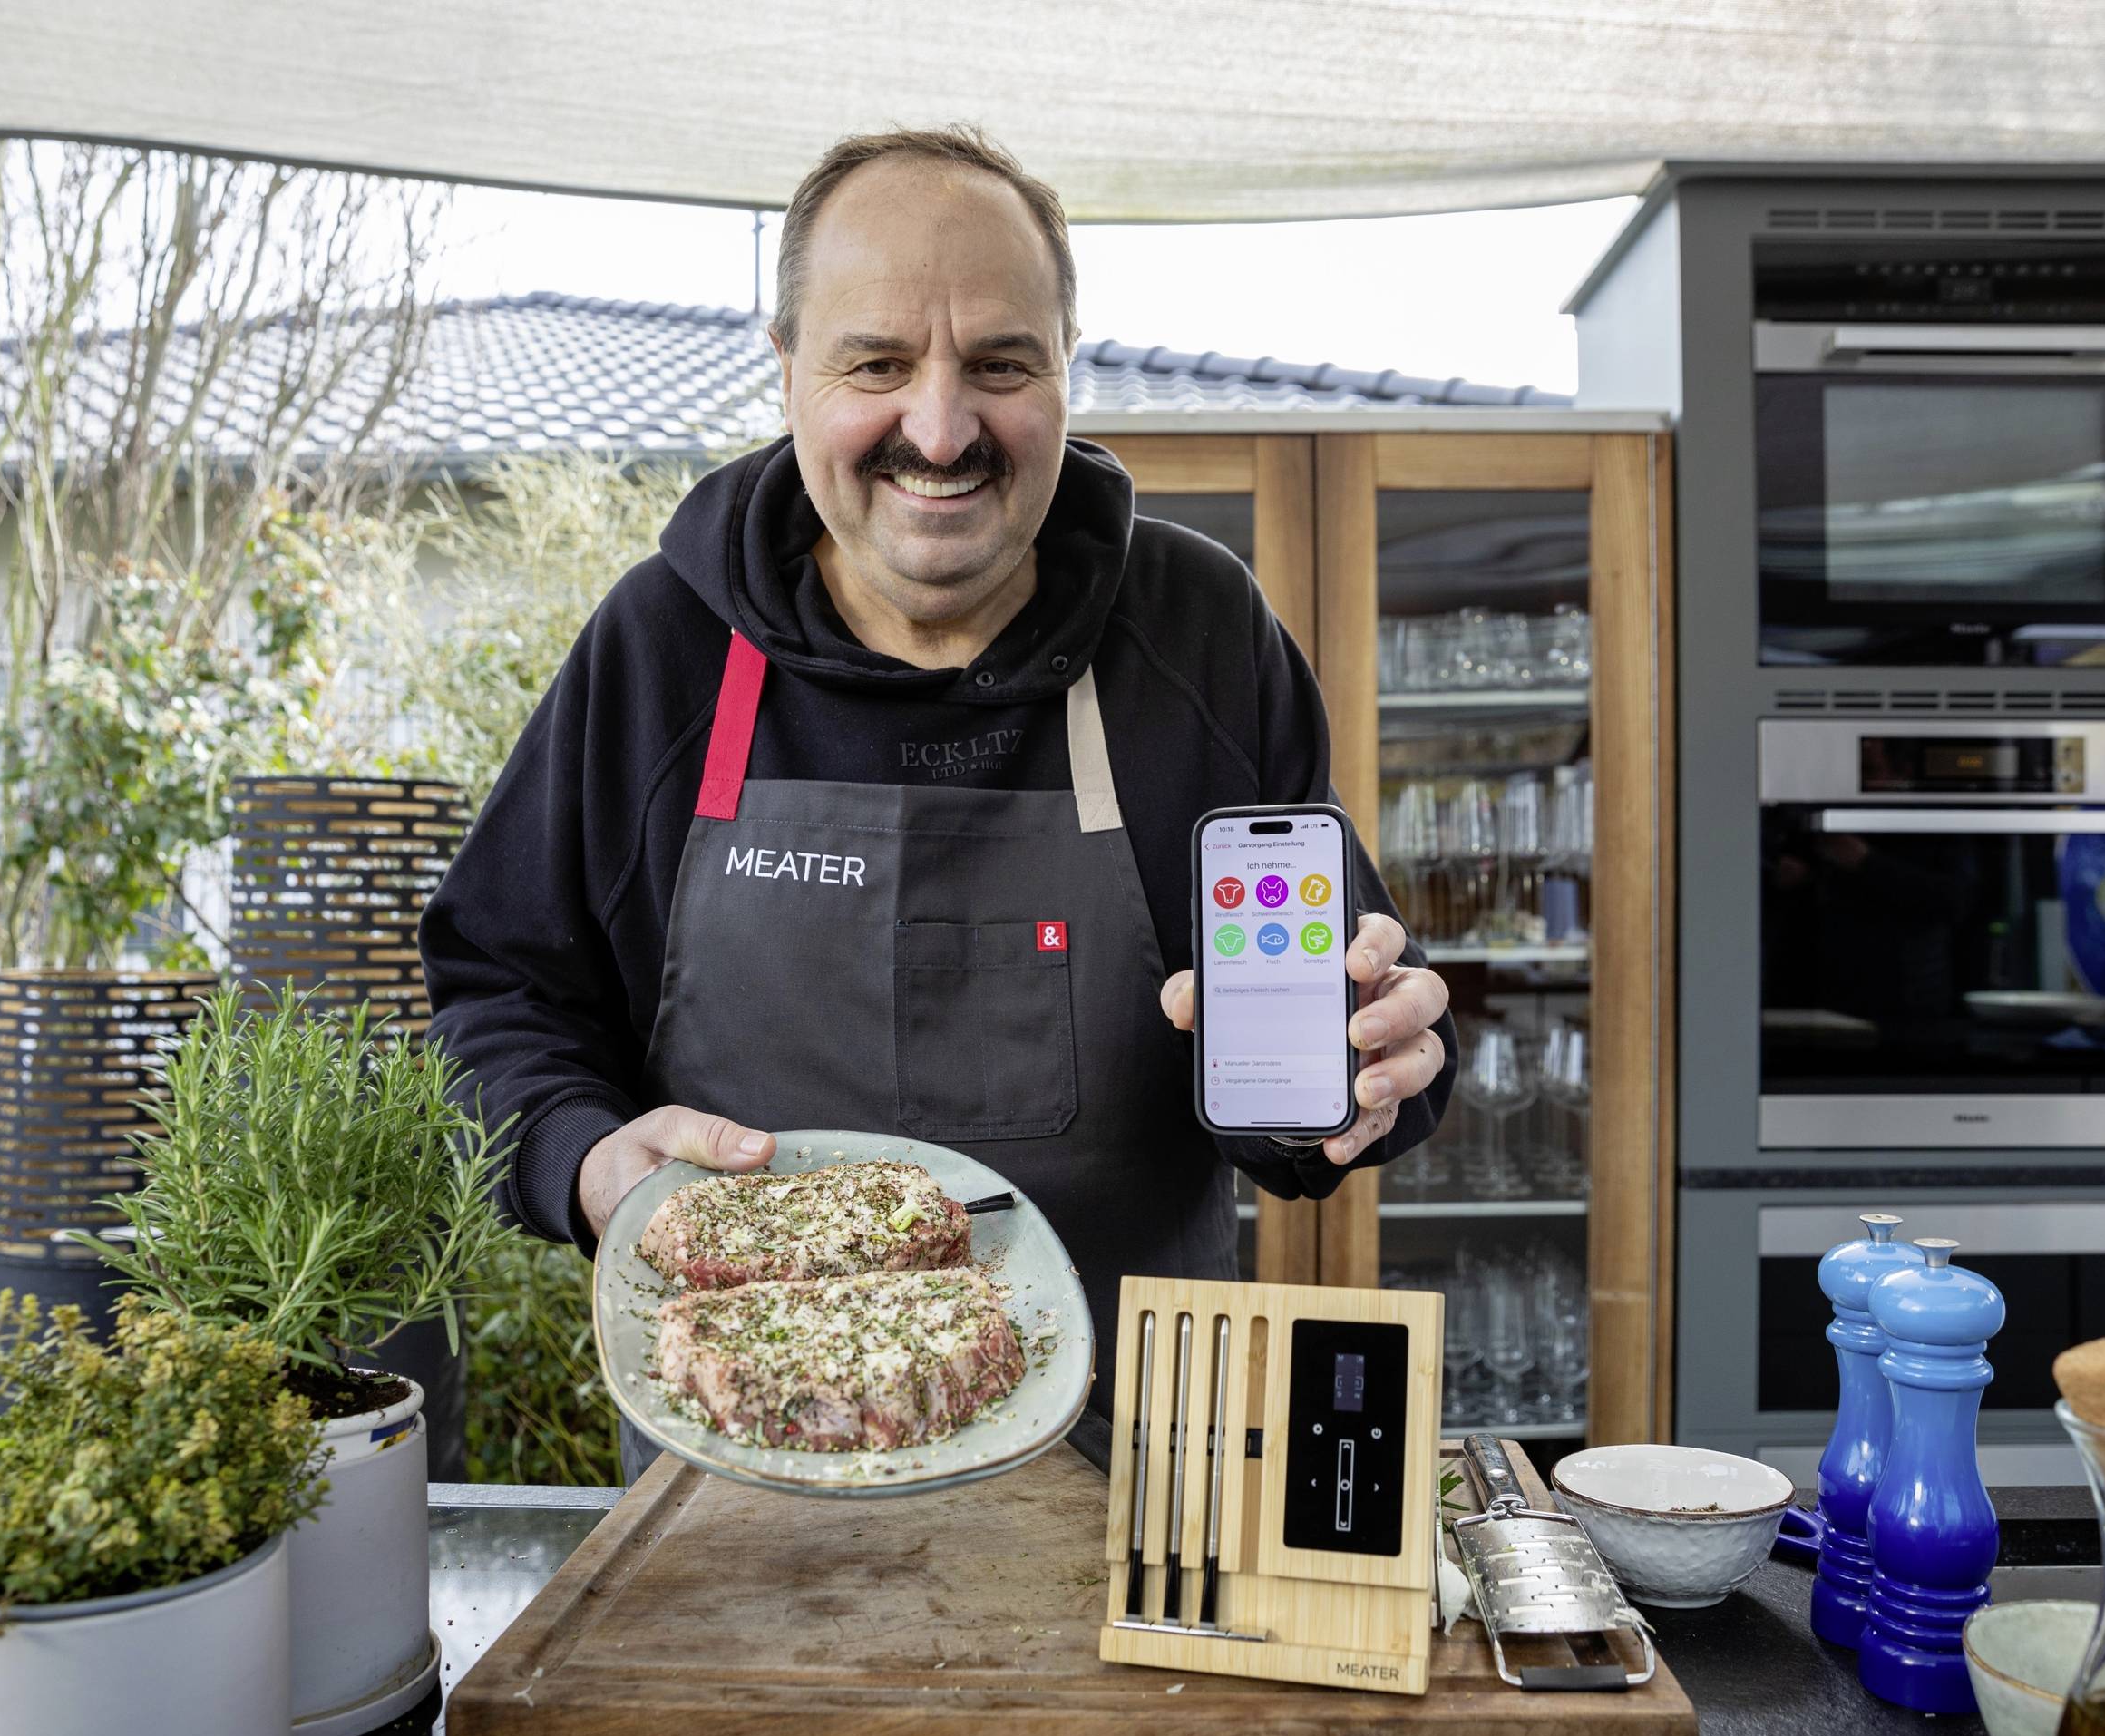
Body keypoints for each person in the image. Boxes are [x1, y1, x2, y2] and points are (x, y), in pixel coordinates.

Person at [420, 125, 1456, 1483]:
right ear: (786, 368)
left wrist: (1362, 1069)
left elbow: (1314, 1061)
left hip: (1137, 1487)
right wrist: (586, 1159)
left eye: (1002, 364)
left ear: (1068, 371)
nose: (942, 428)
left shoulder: (1197, 634)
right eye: (877, 363)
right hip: (742, 1483)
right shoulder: (662, 650)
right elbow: (498, 991)